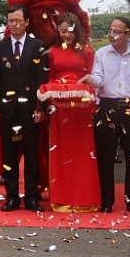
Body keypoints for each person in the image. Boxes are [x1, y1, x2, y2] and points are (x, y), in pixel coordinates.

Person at [0, 5, 48, 212]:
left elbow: (43, 80)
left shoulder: (38, 46)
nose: (14, 24)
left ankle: (32, 196)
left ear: (26, 22)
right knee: (9, 156)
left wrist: (41, 108)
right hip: (7, 110)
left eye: (17, 20)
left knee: (32, 154)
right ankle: (12, 197)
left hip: (31, 110)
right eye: (10, 21)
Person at [42, 12, 99, 212]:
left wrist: (87, 83)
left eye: (70, 30)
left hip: (81, 109)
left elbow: (92, 78)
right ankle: (61, 198)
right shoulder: (52, 52)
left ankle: (85, 198)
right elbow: (48, 79)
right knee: (61, 151)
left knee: (83, 152)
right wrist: (51, 90)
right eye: (62, 31)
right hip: (59, 107)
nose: (66, 35)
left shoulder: (87, 51)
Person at [91, 16, 130, 213]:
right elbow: (98, 77)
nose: (112, 34)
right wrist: (91, 80)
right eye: (110, 30)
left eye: (117, 31)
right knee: (105, 156)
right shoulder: (101, 54)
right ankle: (106, 200)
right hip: (107, 106)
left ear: (128, 34)